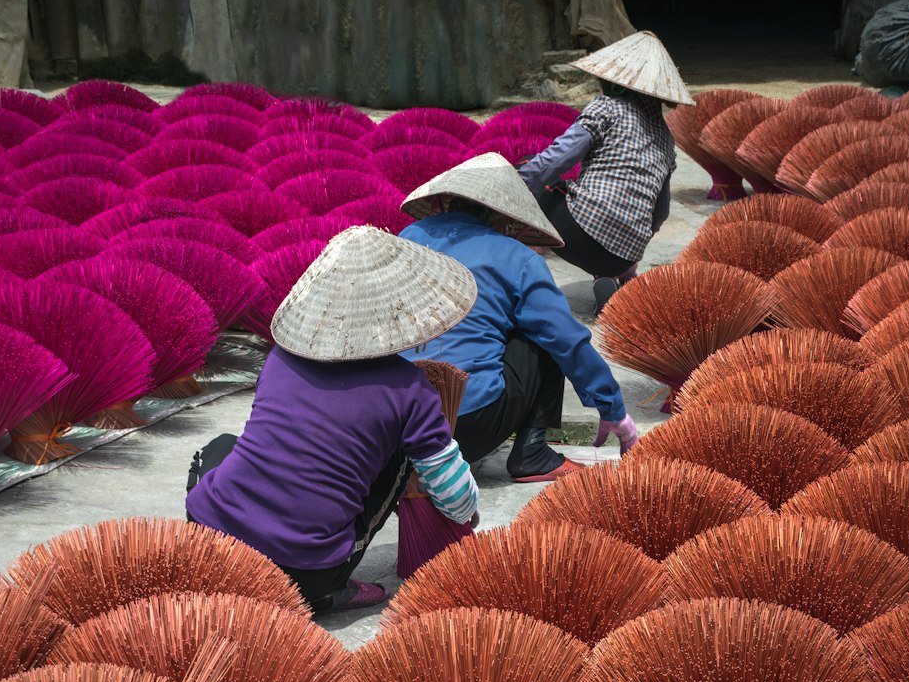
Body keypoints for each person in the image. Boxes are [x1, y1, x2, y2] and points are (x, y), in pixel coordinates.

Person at [185, 226, 480, 613]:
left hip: (211, 538)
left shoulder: (281, 356)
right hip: (303, 574)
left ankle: (216, 552)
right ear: (403, 313)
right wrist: (466, 512)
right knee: (401, 457)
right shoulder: (410, 389)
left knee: (221, 446)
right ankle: (332, 588)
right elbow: (457, 501)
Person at [399, 153, 638, 482]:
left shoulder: (407, 239)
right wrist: (613, 408)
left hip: (396, 431)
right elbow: (566, 339)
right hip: (466, 428)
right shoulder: (518, 258)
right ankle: (532, 452)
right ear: (506, 218)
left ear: (445, 202)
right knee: (543, 333)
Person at [518, 30, 693, 315]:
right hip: (624, 256)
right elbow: (659, 213)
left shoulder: (607, 108)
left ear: (620, 85)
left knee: (529, 170)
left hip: (575, 236)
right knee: (597, 226)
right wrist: (630, 245)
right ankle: (609, 276)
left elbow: (556, 161)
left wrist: (510, 186)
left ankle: (519, 277)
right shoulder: (666, 138)